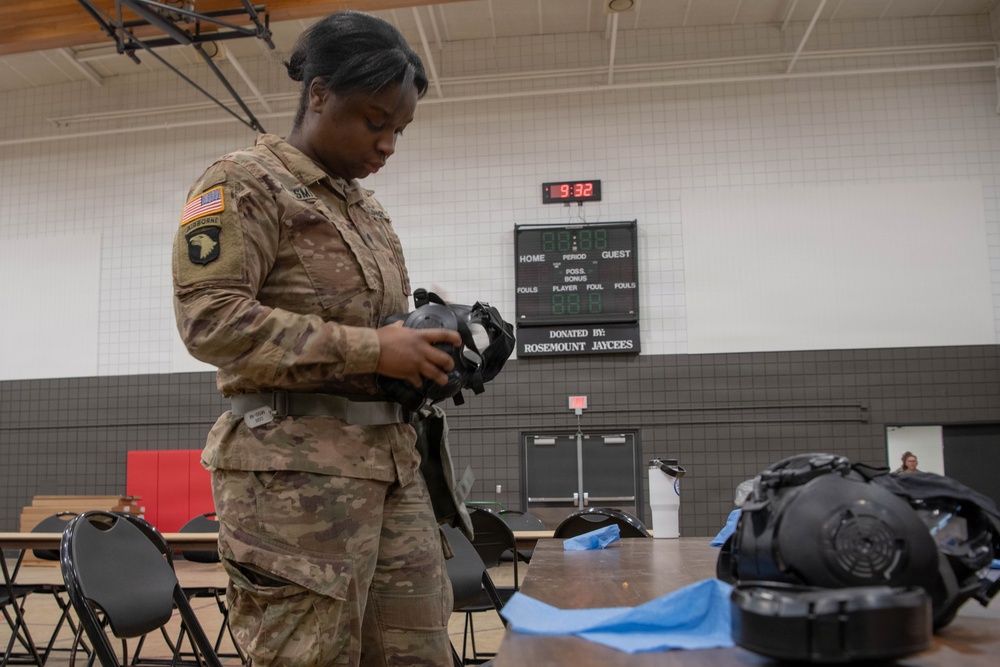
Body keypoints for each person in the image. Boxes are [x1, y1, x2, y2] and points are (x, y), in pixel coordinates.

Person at [171, 11, 462, 667]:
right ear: (320, 93)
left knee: (417, 652)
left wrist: (432, 340)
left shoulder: (367, 210)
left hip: (392, 469)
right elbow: (208, 320)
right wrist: (375, 349)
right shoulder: (243, 183)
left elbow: (382, 337)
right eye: (374, 118)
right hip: (293, 489)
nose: (388, 142)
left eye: (400, 129)